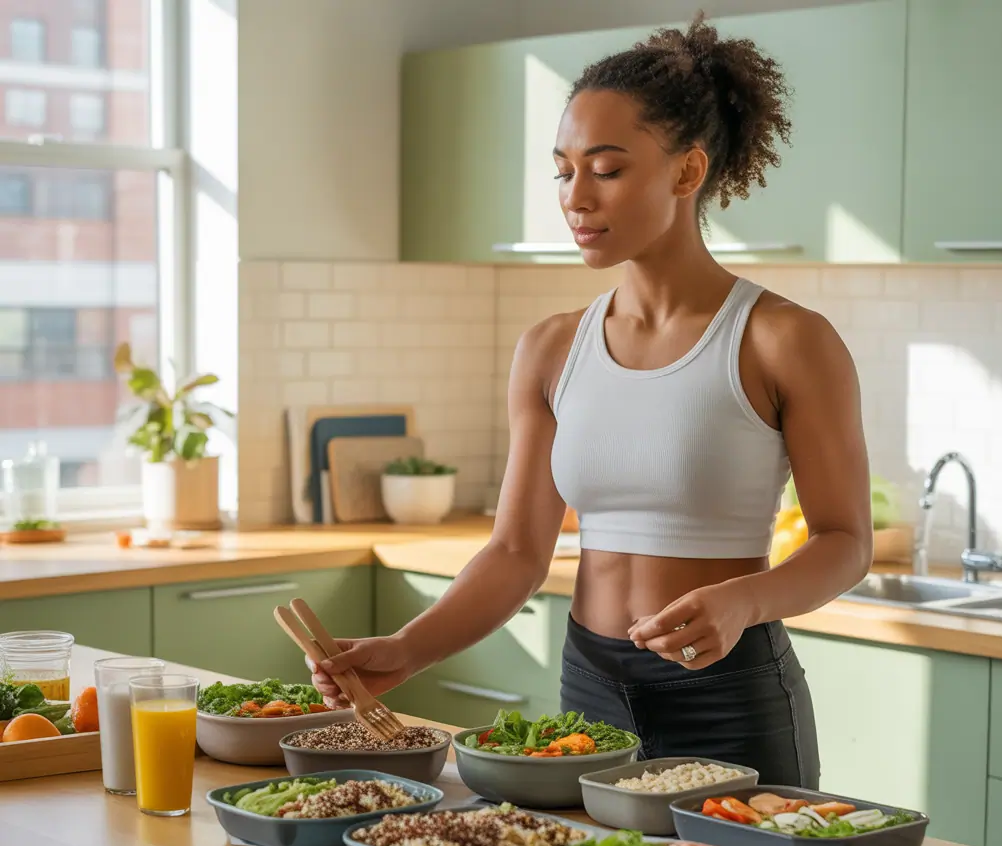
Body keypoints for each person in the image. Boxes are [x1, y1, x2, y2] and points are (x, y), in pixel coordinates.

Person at [310, 15, 872, 787]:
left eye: (606, 170)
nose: (576, 197)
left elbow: (846, 541)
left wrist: (745, 601)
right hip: (588, 690)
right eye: (564, 170)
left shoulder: (782, 340)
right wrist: (404, 651)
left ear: (686, 173)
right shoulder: (550, 348)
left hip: (728, 693)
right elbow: (516, 553)